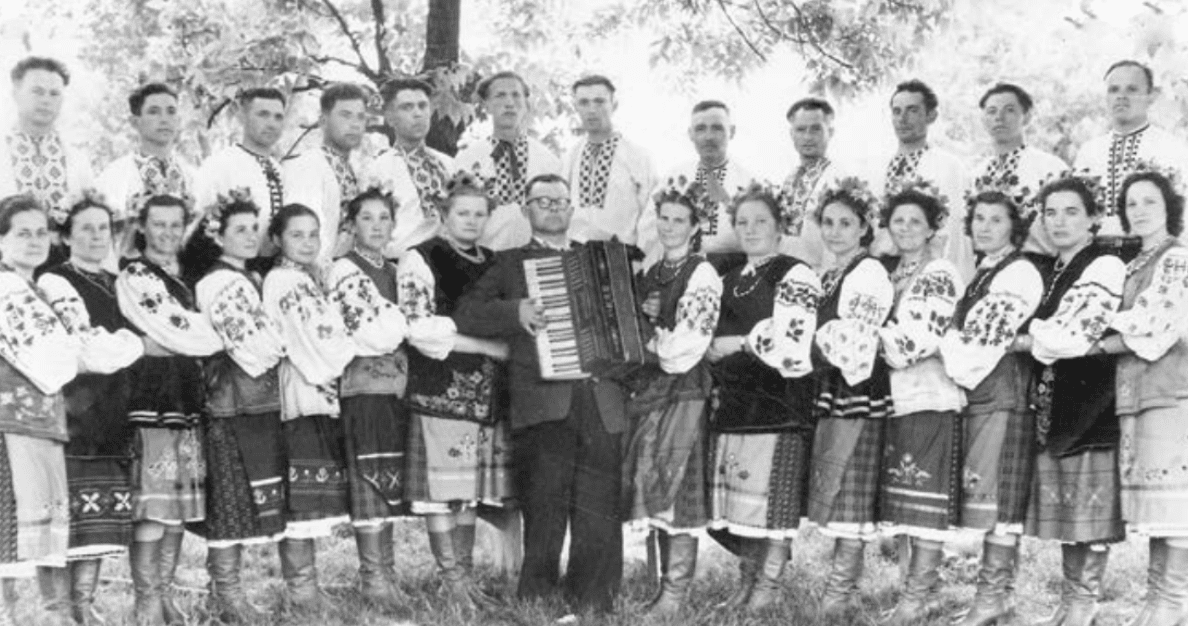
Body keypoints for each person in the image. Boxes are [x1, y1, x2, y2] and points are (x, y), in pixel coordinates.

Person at [453, 173, 626, 618]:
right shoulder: (509, 264)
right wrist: (516, 311)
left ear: (572, 208)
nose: (553, 208)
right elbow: (466, 312)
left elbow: (629, 319)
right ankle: (538, 597)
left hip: (601, 398)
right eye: (543, 201)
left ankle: (594, 597)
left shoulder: (600, 260)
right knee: (544, 503)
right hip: (542, 400)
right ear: (525, 209)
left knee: (599, 505)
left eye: (560, 201)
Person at [396, 172, 513, 607]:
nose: (472, 221)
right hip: (441, 389)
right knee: (442, 491)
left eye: (480, 214)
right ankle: (452, 581)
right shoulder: (421, 257)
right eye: (463, 213)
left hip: (488, 395)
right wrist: (486, 346)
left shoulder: (495, 262)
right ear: (444, 214)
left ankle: (465, 577)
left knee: (469, 489)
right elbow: (419, 328)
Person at [705, 183, 822, 613]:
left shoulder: (795, 274)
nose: (751, 229)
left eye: (760, 221)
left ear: (779, 227)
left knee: (774, 501)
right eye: (742, 222)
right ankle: (747, 580)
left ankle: (768, 587)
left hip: (779, 401)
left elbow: (792, 336)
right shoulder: (728, 279)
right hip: (735, 402)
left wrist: (736, 343)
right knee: (741, 499)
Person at [1021, 174, 1127, 626]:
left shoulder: (1103, 263)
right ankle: (1070, 601)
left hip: (1092, 397)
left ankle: (1084, 602)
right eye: (1050, 212)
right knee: (1069, 506)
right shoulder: (1051, 270)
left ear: (1093, 218)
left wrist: (1028, 338)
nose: (1058, 221)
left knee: (1090, 505)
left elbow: (1072, 334)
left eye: (1070, 212)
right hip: (1058, 397)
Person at [37, 195, 145, 625]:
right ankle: (58, 612)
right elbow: (84, 346)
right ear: (66, 236)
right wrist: (133, 345)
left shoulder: (119, 282)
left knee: (99, 519)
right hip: (72, 414)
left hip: (113, 412)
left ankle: (83, 604)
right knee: (64, 520)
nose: (98, 236)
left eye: (104, 227)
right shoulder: (55, 281)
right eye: (86, 228)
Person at [115, 194, 222, 625]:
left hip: (187, 401)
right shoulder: (135, 274)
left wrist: (191, 342)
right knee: (154, 507)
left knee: (178, 507)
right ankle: (146, 602)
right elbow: (168, 336)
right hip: (152, 401)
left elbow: (190, 337)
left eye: (176, 224)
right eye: (159, 224)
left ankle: (164, 595)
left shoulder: (187, 276)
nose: (168, 233)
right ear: (142, 226)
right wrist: (198, 340)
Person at [939, 191, 1044, 626]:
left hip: (1005, 392)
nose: (984, 227)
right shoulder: (984, 271)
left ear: (1014, 227)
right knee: (989, 498)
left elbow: (981, 342)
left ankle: (993, 596)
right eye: (979, 218)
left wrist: (947, 342)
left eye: (996, 220)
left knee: (1000, 501)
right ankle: (997, 598)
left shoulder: (1019, 272)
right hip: (983, 391)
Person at [620, 179, 721, 616]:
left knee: (678, 485)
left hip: (685, 387)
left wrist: (650, 338)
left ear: (695, 226)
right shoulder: (652, 271)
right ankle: (661, 588)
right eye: (664, 218)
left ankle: (675, 595)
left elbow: (688, 343)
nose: (669, 227)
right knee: (655, 482)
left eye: (680, 220)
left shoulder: (701, 273)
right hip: (652, 389)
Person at [191, 192, 286, 623]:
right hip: (230, 400)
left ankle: (230, 591)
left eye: (255, 229)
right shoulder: (217, 282)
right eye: (240, 230)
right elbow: (253, 347)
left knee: (247, 498)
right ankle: (225, 595)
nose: (251, 237)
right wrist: (287, 345)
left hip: (258, 400)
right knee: (228, 500)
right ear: (219, 237)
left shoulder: (253, 277)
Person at [874, 183, 965, 625]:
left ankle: (918, 594)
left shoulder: (940, 272)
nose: (906, 228)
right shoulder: (886, 273)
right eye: (899, 220)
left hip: (928, 392)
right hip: (893, 395)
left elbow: (920, 337)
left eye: (916, 221)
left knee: (925, 496)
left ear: (932, 228)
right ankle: (913, 589)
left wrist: (865, 340)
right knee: (903, 497)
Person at [805, 177, 895, 615]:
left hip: (857, 387)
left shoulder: (869, 272)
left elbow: (858, 341)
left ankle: (840, 592)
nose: (835, 231)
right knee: (836, 481)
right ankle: (842, 588)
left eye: (846, 223)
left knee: (851, 487)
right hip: (833, 386)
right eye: (828, 222)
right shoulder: (830, 275)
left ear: (864, 228)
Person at [1106, 168, 1188, 626]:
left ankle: (1172, 601)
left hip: (1171, 387)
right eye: (1131, 203)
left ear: (1169, 207)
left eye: (1149, 201)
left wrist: (1093, 335)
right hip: (1135, 389)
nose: (1138, 211)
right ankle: (1156, 601)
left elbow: (1156, 325)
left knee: (1176, 501)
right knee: (1158, 504)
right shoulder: (1135, 262)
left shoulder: (1177, 258)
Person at [261, 203, 354, 608]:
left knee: (312, 493)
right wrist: (348, 344)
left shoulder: (308, 277)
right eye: (296, 235)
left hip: (318, 389)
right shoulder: (284, 280)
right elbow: (320, 339)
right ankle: (301, 591)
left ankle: (309, 586)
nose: (307, 242)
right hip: (302, 390)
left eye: (313, 234)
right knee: (301, 495)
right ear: (277, 239)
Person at [326, 186, 414, 608]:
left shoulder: (396, 272)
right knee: (368, 474)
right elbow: (369, 332)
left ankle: (388, 572)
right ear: (351, 225)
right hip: (363, 385)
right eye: (367, 218)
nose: (377, 226)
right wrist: (405, 327)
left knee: (389, 475)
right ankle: (373, 577)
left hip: (395, 386)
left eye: (384, 218)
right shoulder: (344, 270)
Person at [0, 196, 82, 625]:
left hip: (42, 418)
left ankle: (57, 616)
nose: (34, 241)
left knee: (43, 526)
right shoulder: (5, 290)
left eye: (40, 233)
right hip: (7, 423)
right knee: (7, 530)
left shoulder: (41, 290)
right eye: (22, 233)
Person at [1073, 61, 1188, 239]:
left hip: (1156, 249)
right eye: (1114, 90)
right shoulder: (1089, 151)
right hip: (1095, 250)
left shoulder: (1172, 148)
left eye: (1132, 89)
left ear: (1151, 96)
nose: (1121, 96)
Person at [453, 71, 563, 252]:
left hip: (538, 258)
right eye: (500, 95)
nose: (509, 103)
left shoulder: (549, 162)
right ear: (486, 106)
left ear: (526, 104)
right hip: (485, 259)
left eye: (516, 95)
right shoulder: (467, 160)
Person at [877, 80, 972, 279]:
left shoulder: (948, 167)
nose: (902, 119)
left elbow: (954, 232)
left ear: (931, 115)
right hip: (879, 267)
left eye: (912, 110)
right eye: (897, 111)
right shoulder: (877, 167)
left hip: (927, 269)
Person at [0, 58, 94, 258]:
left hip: (64, 263)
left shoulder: (77, 159)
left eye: (54, 94)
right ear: (15, 94)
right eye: (37, 91)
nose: (46, 100)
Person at [194, 87, 289, 266]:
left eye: (278, 117)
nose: (271, 124)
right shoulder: (220, 164)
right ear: (242, 117)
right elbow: (197, 222)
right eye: (263, 114)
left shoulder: (279, 169)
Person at [970, 83, 1067, 257]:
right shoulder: (976, 174)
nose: (999, 117)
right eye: (991, 111)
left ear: (1027, 117)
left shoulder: (1050, 168)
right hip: (985, 264)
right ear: (983, 120)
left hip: (1039, 263)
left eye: (1009, 110)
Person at [654, 101, 755, 268]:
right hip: (677, 271)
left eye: (717, 128)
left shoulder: (749, 184)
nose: (708, 137)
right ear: (690, 134)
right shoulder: (673, 179)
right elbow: (649, 233)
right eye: (700, 129)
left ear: (731, 131)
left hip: (732, 274)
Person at [562, 75, 657, 248]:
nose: (591, 110)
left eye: (599, 102)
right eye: (584, 103)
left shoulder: (638, 157)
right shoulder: (570, 157)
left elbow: (651, 215)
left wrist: (643, 254)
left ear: (614, 105)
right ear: (576, 107)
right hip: (576, 251)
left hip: (621, 252)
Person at [284, 83, 371, 265]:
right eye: (345, 115)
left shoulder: (351, 169)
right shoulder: (309, 165)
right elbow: (301, 233)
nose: (355, 124)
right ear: (323, 121)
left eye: (361, 117)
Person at [96, 83, 194, 227]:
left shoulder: (192, 176)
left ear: (179, 120)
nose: (164, 119)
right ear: (135, 122)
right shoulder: (114, 176)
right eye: (154, 112)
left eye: (171, 111)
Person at [373, 78, 452, 256]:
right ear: (390, 118)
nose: (418, 114)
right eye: (407, 107)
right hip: (401, 262)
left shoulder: (448, 164)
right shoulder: (378, 169)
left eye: (423, 106)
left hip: (450, 263)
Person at [780, 97, 842, 269]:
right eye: (800, 130)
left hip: (819, 272)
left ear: (830, 132)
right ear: (791, 134)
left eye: (816, 129)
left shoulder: (838, 180)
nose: (807, 137)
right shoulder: (789, 179)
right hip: (784, 271)